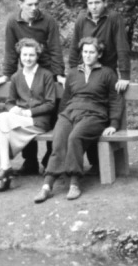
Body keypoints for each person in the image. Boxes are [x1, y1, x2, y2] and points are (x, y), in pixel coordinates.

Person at [34, 37, 123, 203]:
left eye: (91, 52)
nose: (87, 55)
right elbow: (66, 99)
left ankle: (74, 182)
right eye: (85, 52)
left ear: (99, 54)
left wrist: (114, 124)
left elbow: (115, 100)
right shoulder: (74, 73)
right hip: (70, 113)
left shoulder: (107, 73)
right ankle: (47, 185)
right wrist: (61, 120)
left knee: (75, 138)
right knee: (59, 139)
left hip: (94, 115)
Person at [0, 0, 64, 174]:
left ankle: (50, 158)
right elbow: (11, 49)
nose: (34, 8)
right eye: (30, 5)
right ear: (21, 4)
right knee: (25, 105)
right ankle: (30, 162)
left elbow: (56, 48)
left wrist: (58, 73)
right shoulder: (13, 21)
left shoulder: (48, 20)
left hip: (47, 71)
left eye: (36, 4)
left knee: (51, 116)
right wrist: (7, 74)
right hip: (27, 66)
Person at [0, 38, 59, 192]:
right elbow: (9, 102)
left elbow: (50, 104)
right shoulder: (16, 76)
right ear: (20, 56)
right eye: (24, 55)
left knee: (0, 121)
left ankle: (5, 169)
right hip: (19, 120)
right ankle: (6, 169)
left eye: (31, 55)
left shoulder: (46, 75)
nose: (28, 58)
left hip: (38, 121)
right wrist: (13, 108)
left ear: (37, 56)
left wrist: (28, 112)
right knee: (2, 124)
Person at [67, 0, 131, 134]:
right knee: (84, 110)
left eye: (97, 2)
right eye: (90, 3)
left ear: (105, 3)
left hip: (106, 73)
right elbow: (74, 46)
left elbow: (122, 47)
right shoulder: (82, 19)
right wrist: (72, 71)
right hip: (85, 72)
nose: (93, 6)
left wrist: (125, 76)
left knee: (103, 111)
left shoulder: (114, 18)